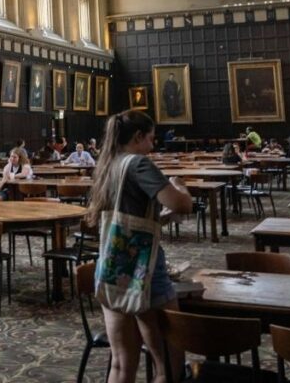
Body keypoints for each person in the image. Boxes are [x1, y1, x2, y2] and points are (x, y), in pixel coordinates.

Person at [85, 110, 193, 383]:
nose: (152, 146)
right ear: (137, 136)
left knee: (121, 364)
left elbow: (126, 213)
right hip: (144, 268)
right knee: (167, 366)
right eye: (151, 139)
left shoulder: (107, 164)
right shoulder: (138, 164)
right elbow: (180, 204)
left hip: (111, 264)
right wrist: (180, 186)